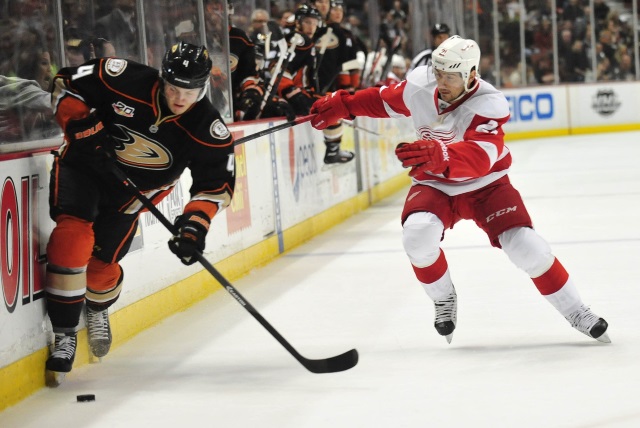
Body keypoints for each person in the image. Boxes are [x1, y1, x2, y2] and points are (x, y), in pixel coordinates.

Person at [309, 35, 610, 344]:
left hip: (487, 185)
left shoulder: (489, 104)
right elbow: (382, 100)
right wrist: (343, 106)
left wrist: (441, 155)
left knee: (526, 247)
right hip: (434, 184)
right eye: (439, 73)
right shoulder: (420, 84)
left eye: (451, 75)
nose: (442, 82)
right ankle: (443, 299)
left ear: (471, 74)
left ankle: (577, 311)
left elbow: (480, 159)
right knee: (416, 236)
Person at [45, 42, 236, 382]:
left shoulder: (207, 127)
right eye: (174, 88)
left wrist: (194, 227)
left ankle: (98, 306)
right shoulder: (123, 77)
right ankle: (64, 333)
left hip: (132, 196)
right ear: (162, 78)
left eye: (190, 92)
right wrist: (79, 123)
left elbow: (215, 185)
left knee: (100, 269)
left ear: (204, 87)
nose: (180, 98)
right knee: (72, 237)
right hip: (84, 170)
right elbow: (66, 83)